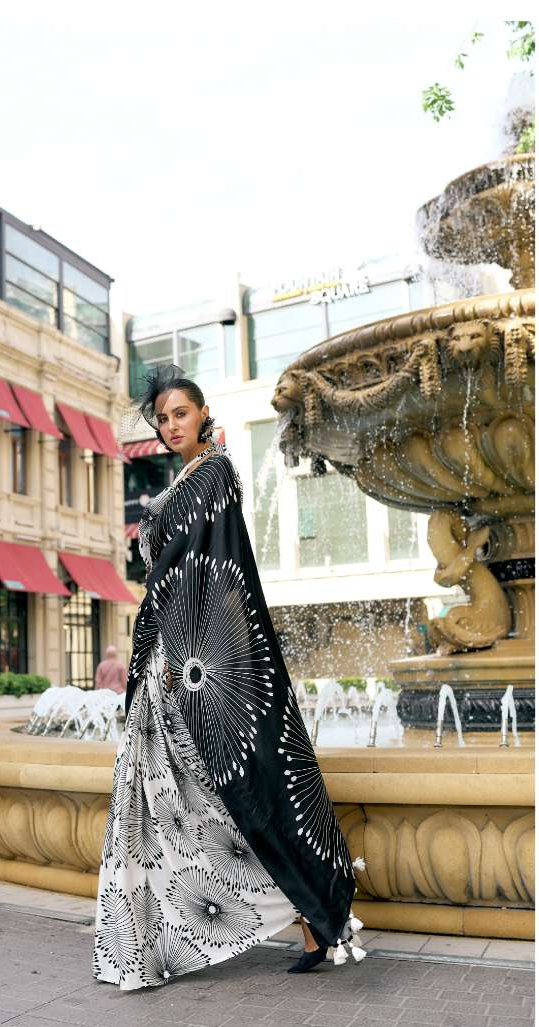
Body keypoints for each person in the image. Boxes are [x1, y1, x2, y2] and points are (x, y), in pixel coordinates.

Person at [92, 365, 366, 992]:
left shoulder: (212, 474)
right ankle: (169, 933)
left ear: (203, 414)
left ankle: (311, 913)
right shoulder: (186, 480)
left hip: (194, 664)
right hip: (171, 659)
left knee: (229, 786)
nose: (170, 426)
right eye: (162, 419)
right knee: (177, 800)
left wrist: (186, 652)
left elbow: (209, 570)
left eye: (180, 414)